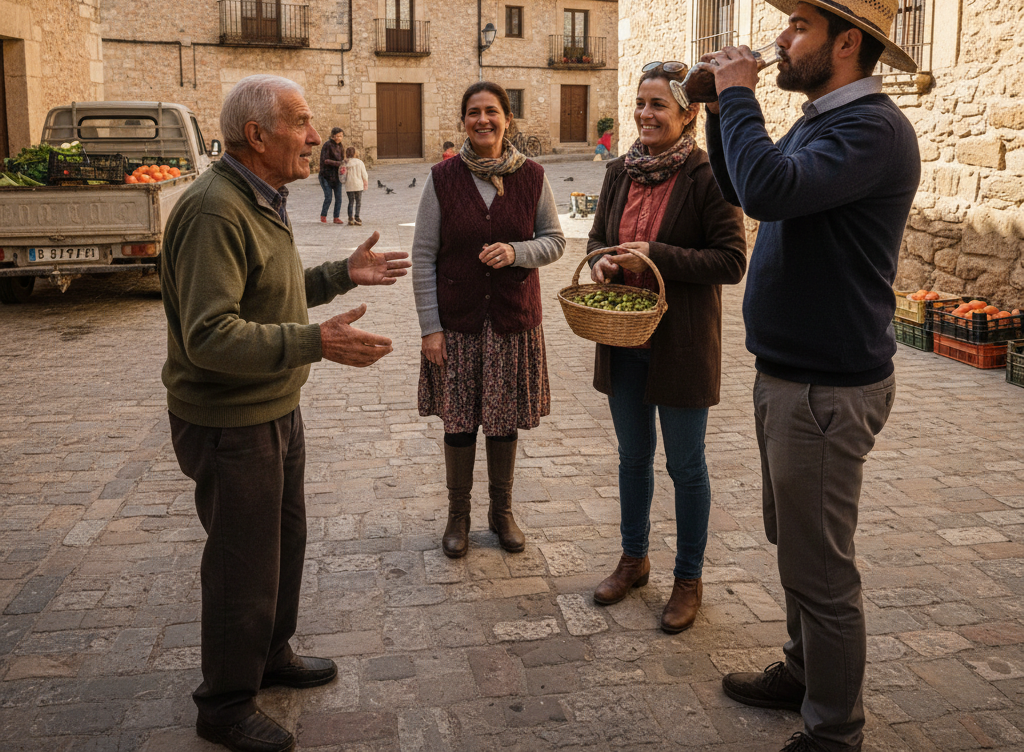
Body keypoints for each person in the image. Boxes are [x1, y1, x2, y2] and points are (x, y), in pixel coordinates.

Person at [703, 0, 921, 752]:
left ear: (847, 42)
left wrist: (737, 95)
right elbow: (740, 178)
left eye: (799, 28)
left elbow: (766, 190)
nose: (782, 40)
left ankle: (835, 730)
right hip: (788, 375)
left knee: (823, 569)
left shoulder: (871, 130)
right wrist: (713, 106)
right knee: (793, 541)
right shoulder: (822, 118)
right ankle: (802, 671)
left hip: (827, 388)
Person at [161, 75, 410, 752]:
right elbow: (210, 335)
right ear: (257, 136)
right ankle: (225, 703)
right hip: (230, 420)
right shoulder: (215, 210)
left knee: (283, 543)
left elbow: (265, 292)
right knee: (243, 561)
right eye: (300, 123)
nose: (313, 137)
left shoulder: (257, 198)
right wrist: (316, 341)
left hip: (272, 406)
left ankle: (269, 655)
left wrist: (337, 277)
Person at [586, 64, 746, 633]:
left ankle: (688, 576)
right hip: (623, 336)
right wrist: (604, 257)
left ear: (688, 114)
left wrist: (654, 254)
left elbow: (731, 261)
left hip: (680, 343)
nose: (646, 114)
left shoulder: (708, 176)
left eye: (659, 105)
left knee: (685, 465)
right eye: (640, 103)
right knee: (633, 458)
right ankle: (634, 559)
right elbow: (599, 237)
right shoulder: (618, 171)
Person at [413, 81, 565, 558]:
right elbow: (422, 258)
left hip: (511, 322)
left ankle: (502, 513)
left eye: (492, 112)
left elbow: (556, 241)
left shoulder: (533, 177)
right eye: (474, 112)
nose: (483, 120)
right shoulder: (442, 179)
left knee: (502, 422)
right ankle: (458, 515)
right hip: (456, 325)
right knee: (458, 422)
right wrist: (430, 328)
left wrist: (517, 251)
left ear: (506, 119)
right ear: (463, 122)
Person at [318, 126, 346, 224]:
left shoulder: (341, 146)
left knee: (339, 198)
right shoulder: (327, 145)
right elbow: (325, 160)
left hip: (337, 176)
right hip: (325, 175)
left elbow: (343, 160)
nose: (339, 138)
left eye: (341, 136)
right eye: (337, 136)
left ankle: (336, 217)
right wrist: (339, 163)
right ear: (333, 136)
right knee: (328, 197)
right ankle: (323, 215)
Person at [344, 145, 368, 225]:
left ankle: (350, 218)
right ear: (355, 153)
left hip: (349, 185)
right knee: (358, 201)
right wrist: (365, 182)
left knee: (350, 201)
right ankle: (357, 217)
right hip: (358, 185)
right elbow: (364, 174)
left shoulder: (344, 163)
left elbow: (341, 174)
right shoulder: (360, 162)